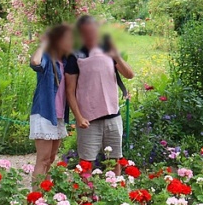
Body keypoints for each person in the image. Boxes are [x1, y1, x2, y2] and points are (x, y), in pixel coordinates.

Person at [64, 15, 135, 170]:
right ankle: (86, 194)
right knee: (86, 163)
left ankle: (116, 190)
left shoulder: (108, 50)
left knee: (115, 160)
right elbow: (70, 91)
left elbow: (129, 75)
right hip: (88, 120)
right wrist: (78, 117)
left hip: (113, 116)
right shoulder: (75, 55)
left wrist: (116, 56)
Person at [28, 24, 73, 178]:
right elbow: (35, 62)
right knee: (43, 159)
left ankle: (45, 194)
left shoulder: (65, 62)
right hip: (44, 113)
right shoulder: (48, 58)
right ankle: (36, 199)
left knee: (51, 159)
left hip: (57, 116)